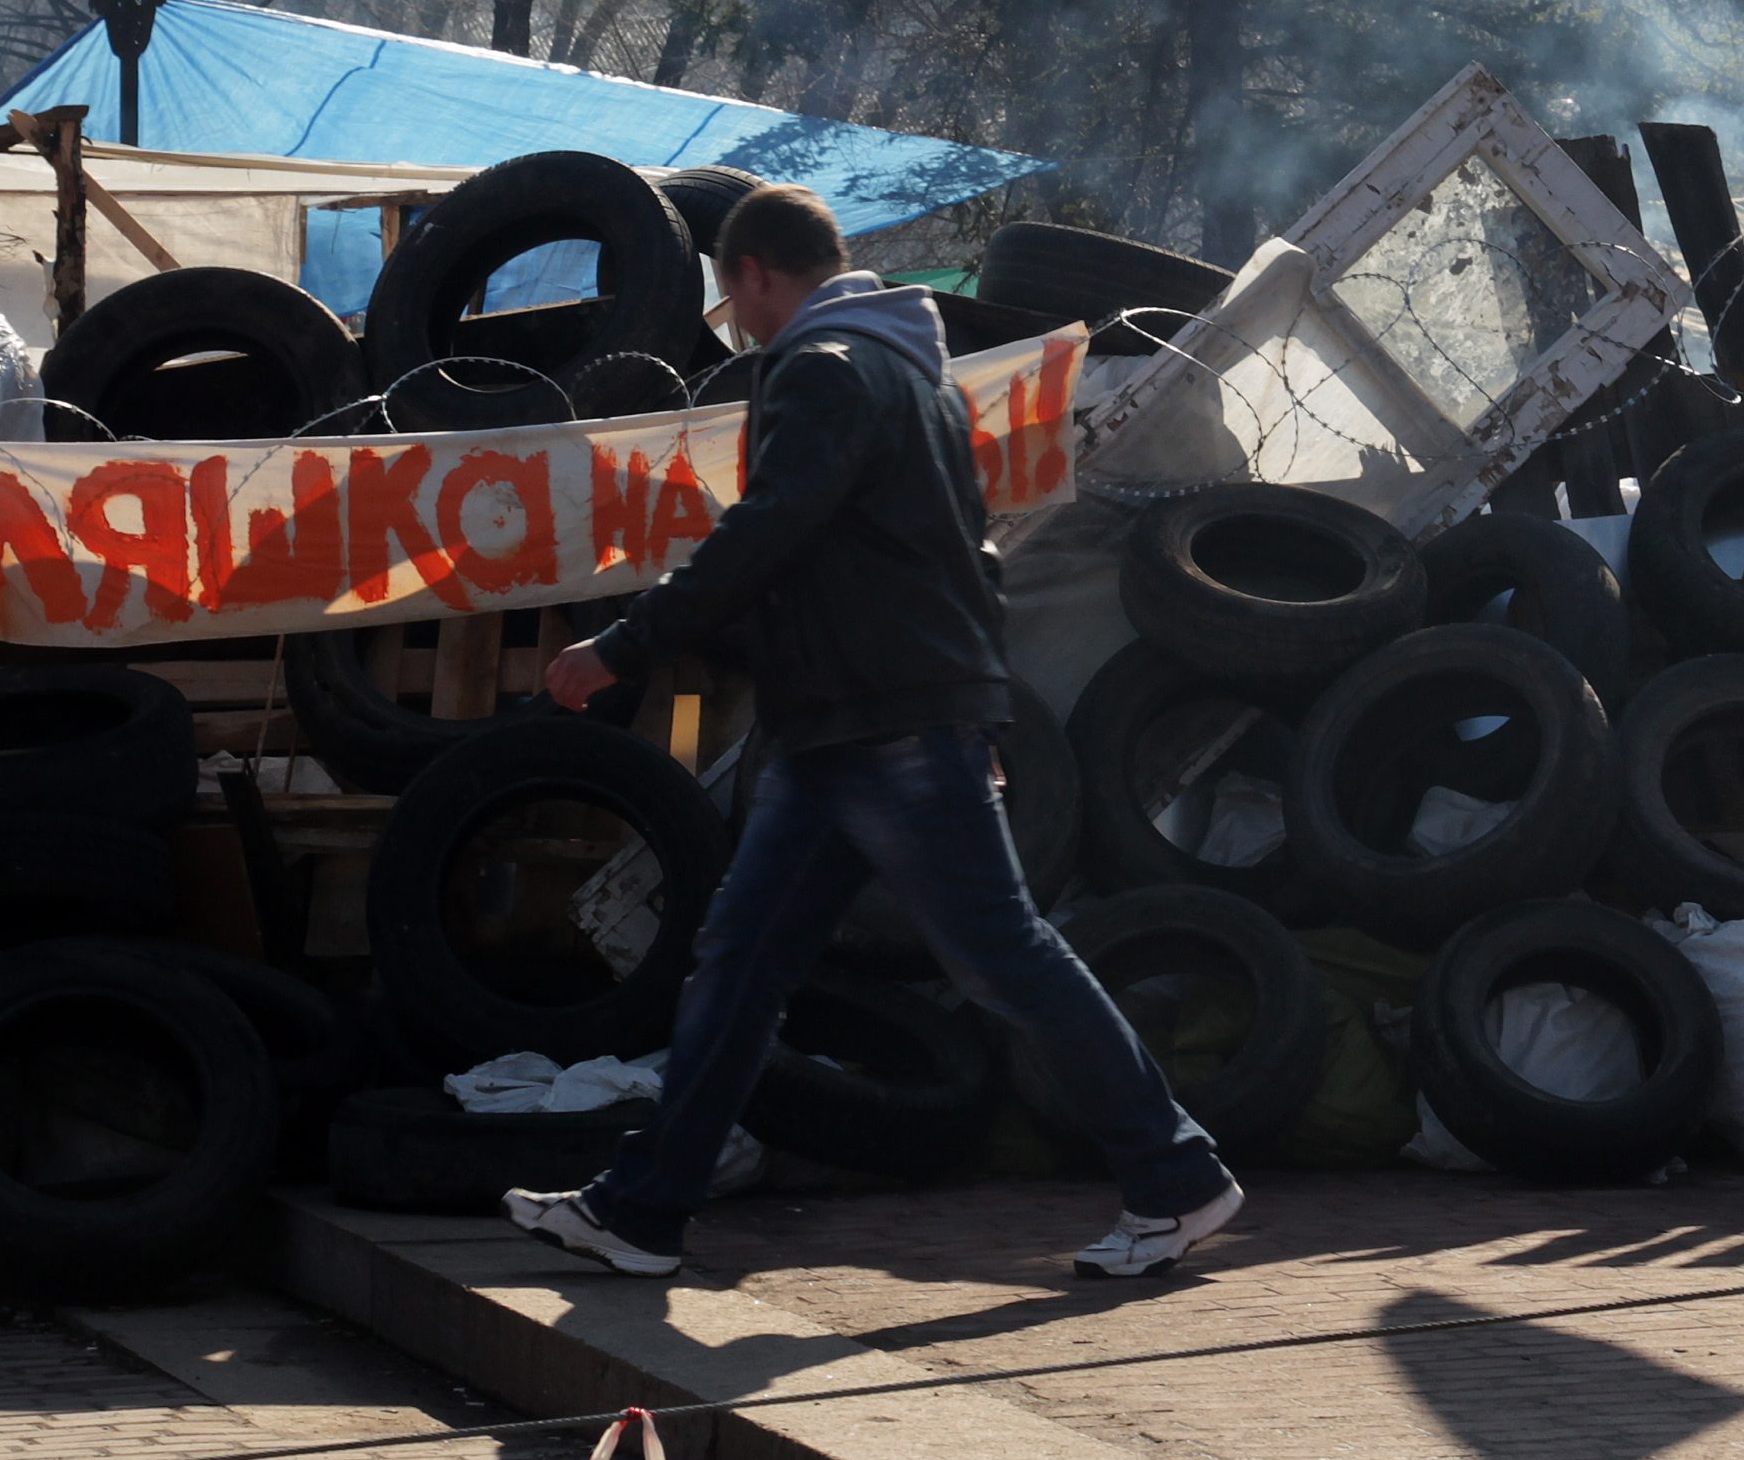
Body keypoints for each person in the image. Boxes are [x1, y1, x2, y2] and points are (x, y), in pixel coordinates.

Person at [503, 186, 1242, 1281]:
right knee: (743, 962)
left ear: (756, 270)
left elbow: (767, 531)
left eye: (729, 290)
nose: (733, 317)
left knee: (1000, 955)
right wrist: (977, 707)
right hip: (851, 725)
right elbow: (967, 558)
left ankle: (1176, 1176)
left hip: (879, 723)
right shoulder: (913, 376)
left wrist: (623, 644)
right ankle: (644, 1207)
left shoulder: (823, 369)